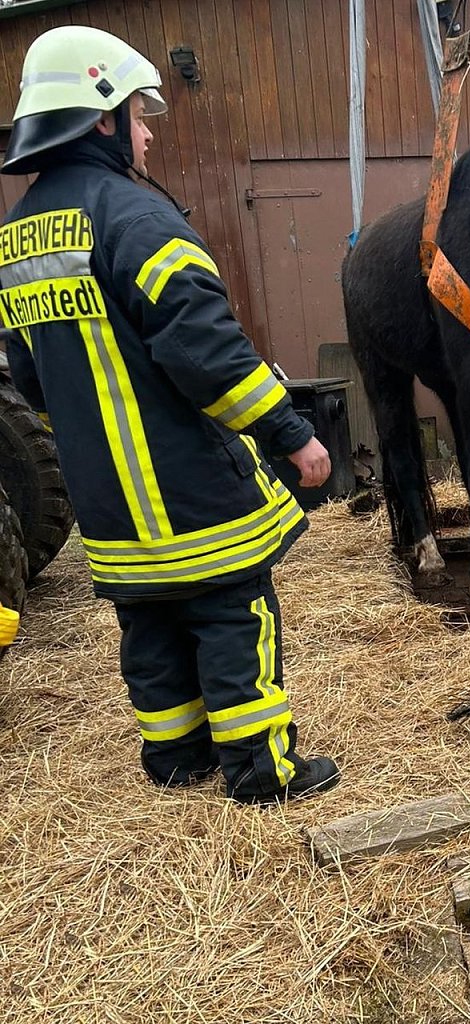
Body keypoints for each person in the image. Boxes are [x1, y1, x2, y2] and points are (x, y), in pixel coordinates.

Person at [0, 26, 338, 803]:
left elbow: (34, 384)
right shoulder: (135, 219)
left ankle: (177, 759)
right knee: (232, 619)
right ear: (102, 119)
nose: (149, 133)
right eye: (138, 114)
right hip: (190, 492)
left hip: (108, 507)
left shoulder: (17, 240)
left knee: (150, 632)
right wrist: (291, 434)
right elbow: (208, 356)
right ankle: (263, 771)